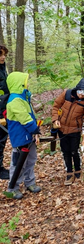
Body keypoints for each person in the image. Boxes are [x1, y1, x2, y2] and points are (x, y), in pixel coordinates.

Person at [5, 71, 41, 200]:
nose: (28, 84)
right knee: (18, 163)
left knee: (31, 160)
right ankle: (13, 188)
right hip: (20, 138)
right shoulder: (14, 100)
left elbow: (31, 115)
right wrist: (35, 129)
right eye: (26, 82)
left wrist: (35, 131)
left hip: (29, 136)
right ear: (19, 84)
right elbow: (24, 118)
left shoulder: (24, 98)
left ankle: (29, 183)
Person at [51, 78, 84, 185]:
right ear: (77, 89)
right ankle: (69, 172)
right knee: (66, 152)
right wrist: (55, 119)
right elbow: (56, 106)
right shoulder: (67, 94)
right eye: (80, 91)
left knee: (74, 151)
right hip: (62, 129)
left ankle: (78, 171)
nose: (81, 94)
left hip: (75, 131)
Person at [0, 45, 10, 179]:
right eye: (1, 55)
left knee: (2, 139)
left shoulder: (3, 69)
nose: (3, 57)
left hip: (4, 109)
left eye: (4, 55)